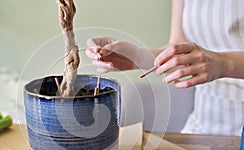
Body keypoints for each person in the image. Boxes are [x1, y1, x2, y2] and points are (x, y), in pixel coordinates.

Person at [86, 0, 244, 135]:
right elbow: (179, 47)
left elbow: (213, 60)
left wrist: (224, 63)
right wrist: (136, 57)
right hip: (202, 124)